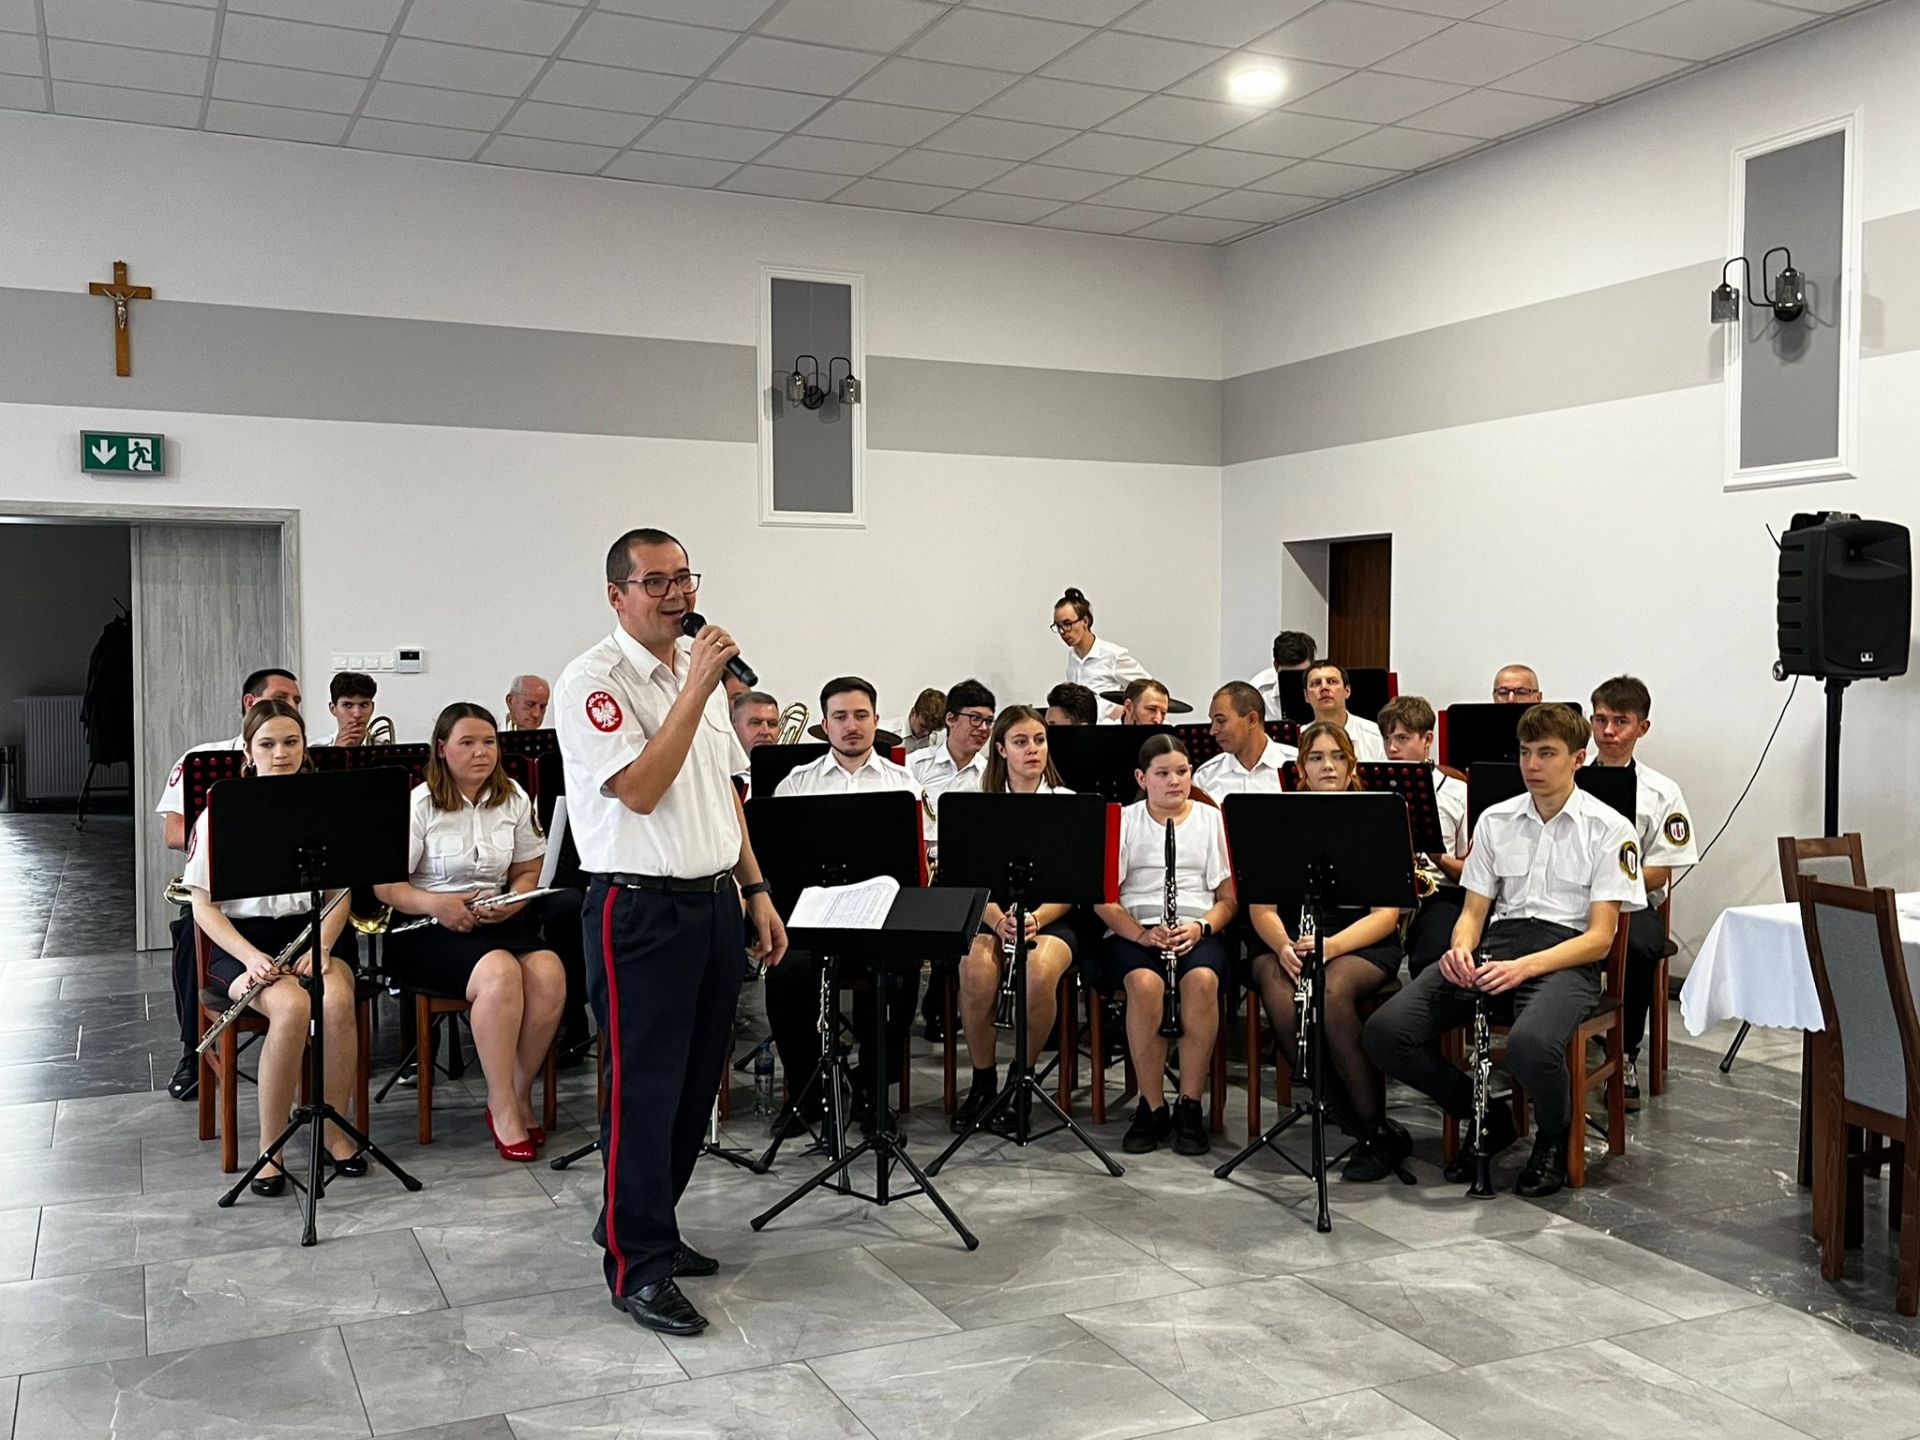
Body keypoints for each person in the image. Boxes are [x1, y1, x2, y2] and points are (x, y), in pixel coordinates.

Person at [553, 527, 787, 1337]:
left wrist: (755, 887)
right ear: (617, 595)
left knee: (694, 1086)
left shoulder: (700, 675)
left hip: (714, 900)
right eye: (655, 581)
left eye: (684, 577)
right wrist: (695, 688)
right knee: (644, 1090)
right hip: (638, 910)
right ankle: (638, 1267)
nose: (676, 594)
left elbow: (724, 795)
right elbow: (641, 790)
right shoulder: (593, 681)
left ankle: (644, 1218)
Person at [1364, 703, 1643, 1198]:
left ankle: (1553, 1135)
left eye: (1546, 753)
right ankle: (1486, 1117)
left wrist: (1524, 968)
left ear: (1578, 758)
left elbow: (1601, 937)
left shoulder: (1610, 828)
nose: (1532, 765)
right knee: (1386, 1032)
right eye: (1525, 752)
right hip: (1497, 947)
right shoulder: (1496, 820)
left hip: (1565, 958)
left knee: (1529, 1045)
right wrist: (1459, 949)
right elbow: (1473, 912)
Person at [373, 702, 568, 1162]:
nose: (482, 752)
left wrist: (516, 899)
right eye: (468, 742)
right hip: (423, 927)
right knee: (499, 972)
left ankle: (519, 1091)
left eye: (488, 742)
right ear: (442, 749)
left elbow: (529, 868)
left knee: (549, 970)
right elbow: (386, 887)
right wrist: (437, 905)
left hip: (491, 920)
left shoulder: (513, 796)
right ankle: (501, 1105)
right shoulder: (419, 804)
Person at [183, 699, 363, 1195]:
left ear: (304, 747)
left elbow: (340, 893)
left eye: (290, 742)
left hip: (313, 935)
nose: (280, 753)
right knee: (291, 1006)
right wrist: (250, 957)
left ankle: (333, 1131)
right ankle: (271, 1147)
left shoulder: (323, 809)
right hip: (242, 944)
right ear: (248, 751)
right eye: (267, 744)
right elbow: (203, 906)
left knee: (337, 1000)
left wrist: (323, 948)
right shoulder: (220, 815)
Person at [1245, 721, 1410, 1181]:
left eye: (1338, 757)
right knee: (1279, 994)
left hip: (1359, 940)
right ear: (1301, 768)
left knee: (1332, 993)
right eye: (1316, 758)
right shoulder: (1278, 820)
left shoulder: (1377, 819)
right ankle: (1360, 1126)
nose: (1328, 766)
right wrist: (1282, 946)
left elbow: (1386, 915)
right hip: (1291, 938)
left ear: (1352, 765)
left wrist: (1332, 945)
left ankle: (1371, 1125)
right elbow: (1261, 908)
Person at [768, 676, 919, 1132]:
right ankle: (805, 1093)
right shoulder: (796, 785)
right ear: (824, 725)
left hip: (879, 920)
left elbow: (916, 863)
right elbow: (778, 863)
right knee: (785, 971)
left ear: (876, 720)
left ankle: (873, 1093)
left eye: (860, 715)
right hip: (815, 920)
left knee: (900, 970)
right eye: (840, 717)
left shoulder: (904, 785)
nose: (851, 725)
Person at [158, 665, 301, 1102]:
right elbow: (173, 833)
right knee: (191, 932)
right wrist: (230, 839)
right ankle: (192, 1051)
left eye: (296, 702)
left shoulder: (302, 758)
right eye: (282, 698)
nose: (291, 707)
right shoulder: (202, 758)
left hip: (290, 906)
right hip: (225, 892)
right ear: (251, 703)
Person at [1093, 734, 1236, 1157]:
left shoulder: (1212, 820)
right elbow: (1104, 900)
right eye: (1163, 774)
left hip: (1195, 930)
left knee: (1202, 980)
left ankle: (1189, 1104)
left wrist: (1201, 928)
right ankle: (1151, 1105)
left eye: (1182, 772)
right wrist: (1140, 934)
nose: (1175, 781)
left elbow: (1228, 900)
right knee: (1144, 984)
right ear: (1142, 778)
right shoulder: (1124, 821)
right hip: (1135, 930)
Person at [949, 707, 1088, 1134]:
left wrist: (1035, 918)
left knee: (1037, 971)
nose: (1033, 750)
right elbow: (965, 876)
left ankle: (1021, 1081)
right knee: (975, 968)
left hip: (1050, 916)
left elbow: (1075, 884)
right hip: (991, 913)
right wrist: (996, 920)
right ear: (1001, 750)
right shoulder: (977, 804)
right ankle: (983, 1081)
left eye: (1040, 740)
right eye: (1021, 742)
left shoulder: (1067, 803)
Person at [1588, 675, 1697, 1108]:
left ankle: (1625, 1053)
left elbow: (1659, 872)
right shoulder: (1567, 777)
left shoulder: (1662, 791)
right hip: (1568, 900)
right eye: (1600, 720)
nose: (1608, 731)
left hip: (1630, 904)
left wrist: (1612, 883)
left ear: (1642, 728)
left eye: (1621, 721)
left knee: (1638, 949)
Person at [1378, 696, 1469, 977]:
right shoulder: (1373, 787)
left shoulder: (1457, 792)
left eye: (1402, 738)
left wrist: (1438, 857)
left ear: (1428, 738)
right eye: (1387, 738)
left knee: (1430, 956)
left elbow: (1471, 874)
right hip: (1386, 891)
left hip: (1438, 891)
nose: (1392, 748)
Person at [907, 679, 995, 866]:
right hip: (919, 865)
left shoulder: (991, 776)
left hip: (969, 865)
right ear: (950, 719)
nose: (983, 728)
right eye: (975, 718)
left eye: (988, 721)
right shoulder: (915, 764)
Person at [1053, 586, 1148, 722]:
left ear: (1085, 621)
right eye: (1058, 626)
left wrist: (1124, 713)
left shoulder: (1113, 655)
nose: (1063, 632)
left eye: (1067, 624)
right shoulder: (1072, 657)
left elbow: (1149, 689)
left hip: (1109, 731)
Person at [1195, 681, 1294, 796]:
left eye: (1221, 721)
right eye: (1212, 722)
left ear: (1252, 719)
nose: (1212, 731)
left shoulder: (1297, 766)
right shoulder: (1205, 777)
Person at [1304, 661, 1385, 760]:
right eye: (1316, 683)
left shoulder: (1374, 735)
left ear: (1347, 690)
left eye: (1332, 681)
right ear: (1306, 696)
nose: (1324, 687)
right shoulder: (1300, 737)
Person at [1249, 630, 1317, 722]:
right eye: (1288, 677)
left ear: (1312, 665)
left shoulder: (1324, 686)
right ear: (1276, 666)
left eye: (1301, 674)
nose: (1294, 682)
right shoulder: (1260, 690)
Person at [729, 689, 781, 796]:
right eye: (756, 723)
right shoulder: (718, 771)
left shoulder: (793, 777)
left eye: (772, 724)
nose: (765, 731)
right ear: (734, 725)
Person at [882, 688, 948, 756]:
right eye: (923, 726)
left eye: (932, 730)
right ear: (913, 712)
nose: (927, 733)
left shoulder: (938, 738)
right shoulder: (885, 733)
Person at [319, 671, 377, 747]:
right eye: (348, 705)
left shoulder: (388, 746)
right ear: (333, 709)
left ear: (372, 707)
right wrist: (335, 751)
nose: (357, 714)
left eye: (364, 705)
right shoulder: (314, 749)